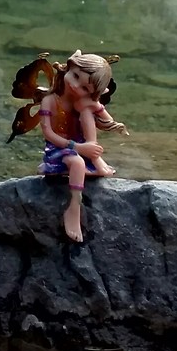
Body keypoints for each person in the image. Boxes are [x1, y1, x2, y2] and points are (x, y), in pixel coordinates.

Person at [29, 52, 124, 244]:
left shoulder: (81, 102)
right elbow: (49, 134)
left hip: (80, 146)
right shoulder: (50, 100)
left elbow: (107, 121)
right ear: (69, 68)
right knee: (78, 163)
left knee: (86, 111)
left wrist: (95, 104)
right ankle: (74, 208)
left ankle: (96, 159)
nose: (74, 85)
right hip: (58, 151)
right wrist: (77, 147)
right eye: (75, 76)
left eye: (84, 87)